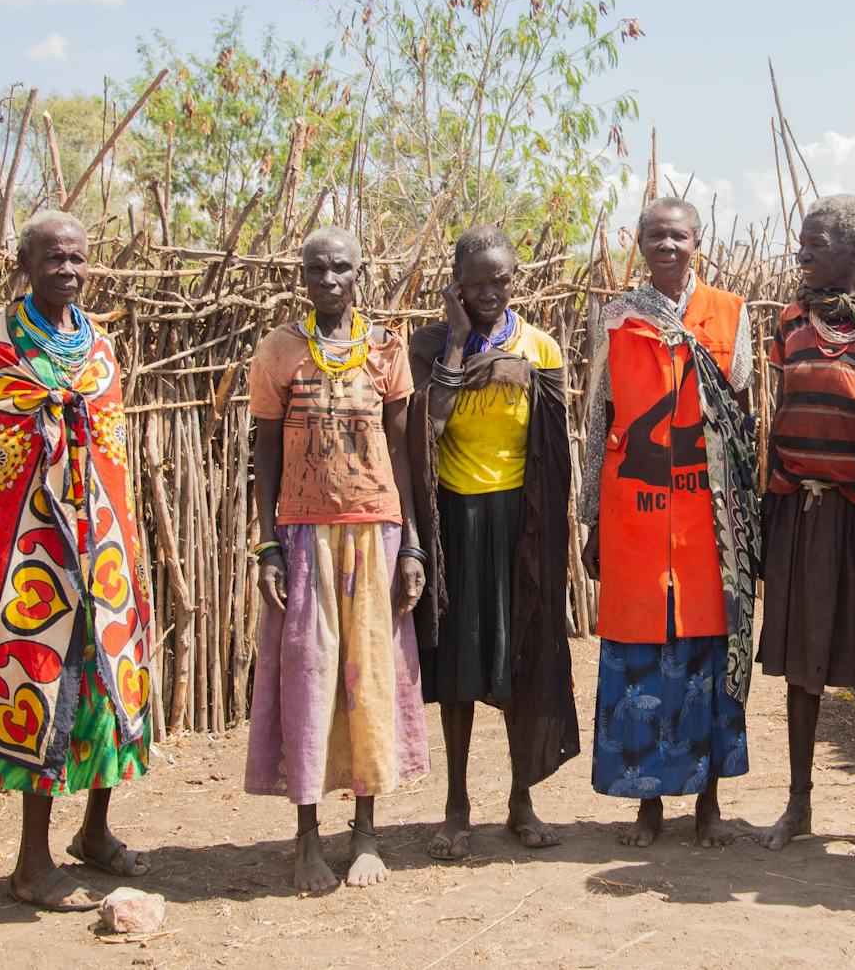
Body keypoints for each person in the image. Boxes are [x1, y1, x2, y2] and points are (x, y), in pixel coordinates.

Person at [0, 210, 153, 911]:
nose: (67, 270)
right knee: (44, 686)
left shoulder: (97, 345)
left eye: (76, 258)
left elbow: (109, 444)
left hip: (101, 545)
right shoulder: (1, 351)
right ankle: (30, 864)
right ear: (25, 263)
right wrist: (46, 425)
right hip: (31, 550)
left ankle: (94, 832)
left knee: (109, 681)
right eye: (53, 258)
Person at [243, 226, 430, 893]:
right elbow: (266, 451)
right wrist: (267, 543)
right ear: (303, 276)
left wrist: (411, 542)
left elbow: (403, 450)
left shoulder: (386, 349)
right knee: (310, 677)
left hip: (375, 532)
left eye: (340, 269)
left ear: (358, 273)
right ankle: (307, 838)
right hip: (303, 536)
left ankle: (367, 834)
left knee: (368, 680)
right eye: (317, 270)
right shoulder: (279, 350)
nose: (328, 280)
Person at [581, 197, 758, 848]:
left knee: (708, 655)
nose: (667, 245)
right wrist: (592, 518)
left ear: (697, 241)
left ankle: (708, 802)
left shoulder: (730, 313)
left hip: (708, 520)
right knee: (639, 659)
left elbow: (741, 419)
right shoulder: (617, 317)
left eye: (678, 235)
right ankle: (647, 801)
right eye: (655, 235)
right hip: (635, 512)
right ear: (639, 242)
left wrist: (745, 518)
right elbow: (598, 419)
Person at [408, 226, 579, 861]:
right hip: (455, 520)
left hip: (521, 520)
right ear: (456, 283)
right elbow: (429, 424)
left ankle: (520, 800)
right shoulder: (429, 344)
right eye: (476, 282)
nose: (488, 292)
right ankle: (457, 807)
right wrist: (458, 345)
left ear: (514, 279)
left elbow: (555, 448)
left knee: (519, 661)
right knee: (458, 666)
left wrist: (520, 373)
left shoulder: (540, 346)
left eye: (499, 280)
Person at [753, 195, 855, 860]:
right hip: (801, 511)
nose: (803, 254)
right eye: (801, 243)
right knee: (802, 664)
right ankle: (799, 800)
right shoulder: (791, 320)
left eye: (816, 244)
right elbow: (779, 409)